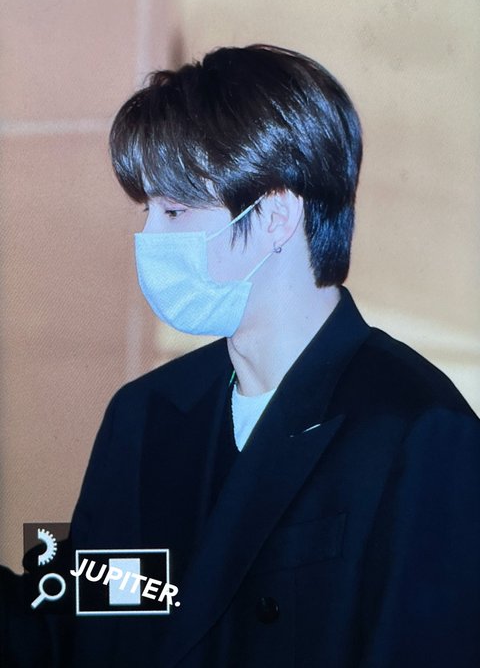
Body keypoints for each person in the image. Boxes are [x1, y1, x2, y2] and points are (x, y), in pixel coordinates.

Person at [2, 44, 480, 667]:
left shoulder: (419, 431)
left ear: (276, 214)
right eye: (148, 210)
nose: (149, 238)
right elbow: (72, 627)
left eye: (175, 210)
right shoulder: (145, 415)